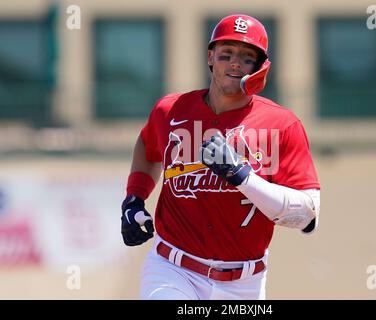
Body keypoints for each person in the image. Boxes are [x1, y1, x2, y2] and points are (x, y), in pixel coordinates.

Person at [120, 13, 321, 300]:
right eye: (226, 54)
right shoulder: (171, 110)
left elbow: (307, 215)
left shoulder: (282, 125)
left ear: (261, 68)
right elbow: (147, 144)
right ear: (210, 57)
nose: (235, 63)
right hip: (172, 269)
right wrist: (134, 197)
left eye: (247, 57)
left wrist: (242, 177)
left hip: (244, 284)